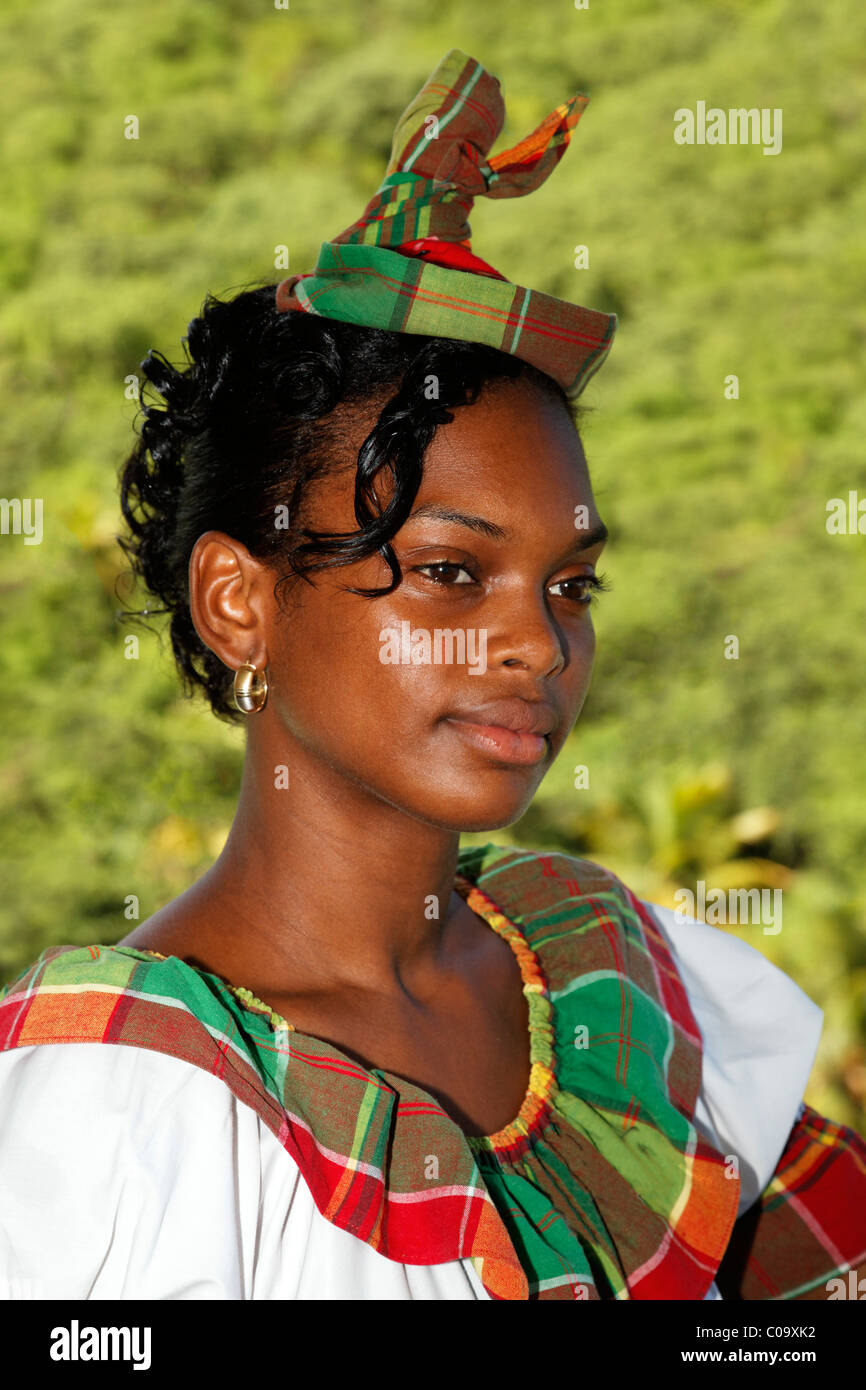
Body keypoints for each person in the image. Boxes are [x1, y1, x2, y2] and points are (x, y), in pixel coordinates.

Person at [0, 48, 863, 1302]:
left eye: (570, 585)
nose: (537, 643)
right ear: (240, 603)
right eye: (454, 573)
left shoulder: (613, 977)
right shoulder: (125, 1104)